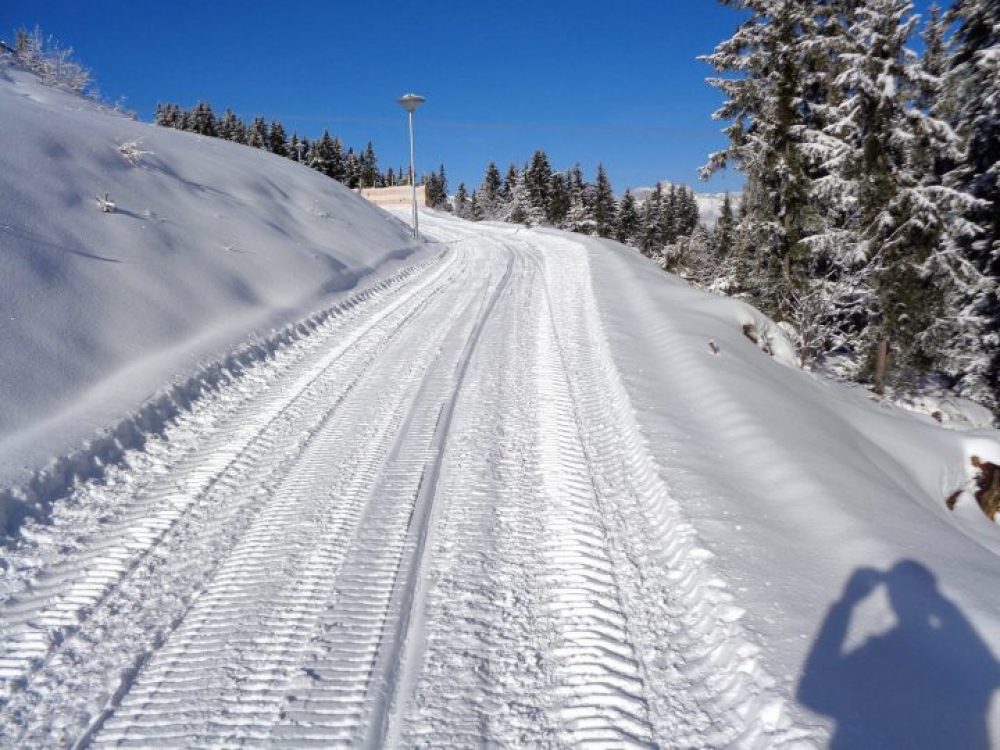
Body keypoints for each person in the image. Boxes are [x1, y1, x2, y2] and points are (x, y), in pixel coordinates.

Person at [798, 560, 999, 748]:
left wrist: (847, 604)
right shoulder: (966, 659)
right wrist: (940, 602)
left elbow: (812, 693)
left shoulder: (882, 651)